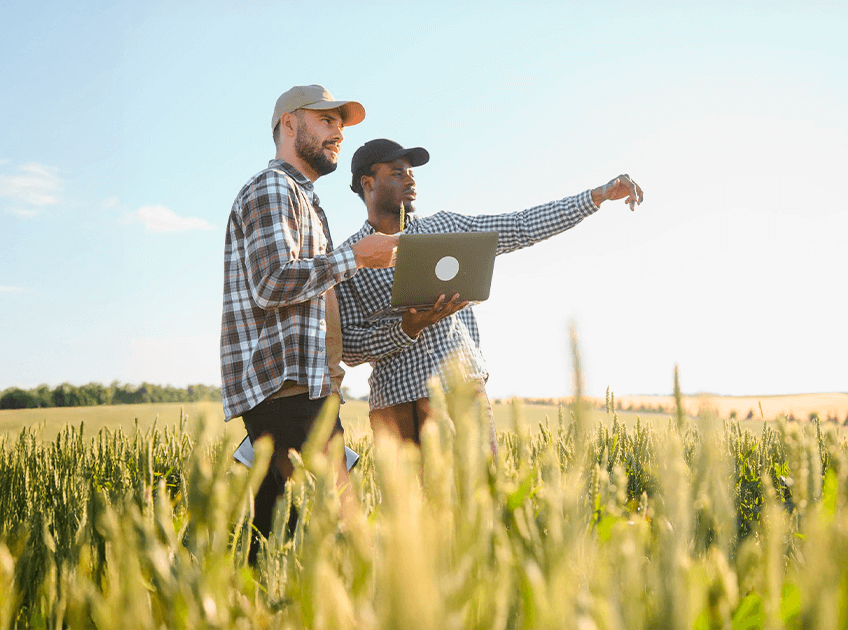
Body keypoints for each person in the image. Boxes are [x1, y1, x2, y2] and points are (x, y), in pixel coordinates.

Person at [335, 138, 643, 450]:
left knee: (482, 493)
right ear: (368, 183)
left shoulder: (444, 225)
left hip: (461, 389)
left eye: (411, 173)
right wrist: (405, 329)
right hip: (396, 403)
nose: (410, 179)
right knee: (409, 500)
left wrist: (596, 197)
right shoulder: (348, 258)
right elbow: (347, 347)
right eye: (397, 173)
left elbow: (519, 226)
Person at [219, 85, 399, 562]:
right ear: (289, 124)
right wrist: (356, 256)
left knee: (274, 535)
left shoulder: (305, 200)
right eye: (326, 120)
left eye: (341, 123)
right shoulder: (273, 188)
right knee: (344, 529)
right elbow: (271, 282)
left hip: (304, 388)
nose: (337, 131)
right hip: (287, 388)